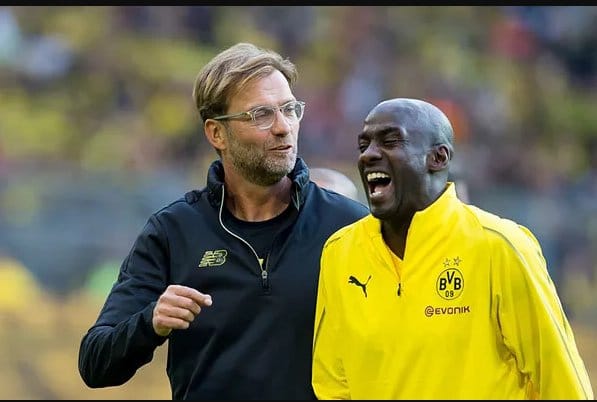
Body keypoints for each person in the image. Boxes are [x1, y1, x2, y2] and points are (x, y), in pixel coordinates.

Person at [78, 42, 369, 400]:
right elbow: (95, 363)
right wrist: (150, 322)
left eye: (290, 109)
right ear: (217, 133)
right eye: (261, 114)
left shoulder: (350, 225)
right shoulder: (174, 231)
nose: (283, 127)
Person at [311, 98, 594, 399]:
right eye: (363, 145)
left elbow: (559, 377)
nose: (369, 155)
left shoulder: (499, 246)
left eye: (390, 141)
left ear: (438, 158)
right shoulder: (339, 252)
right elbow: (333, 384)